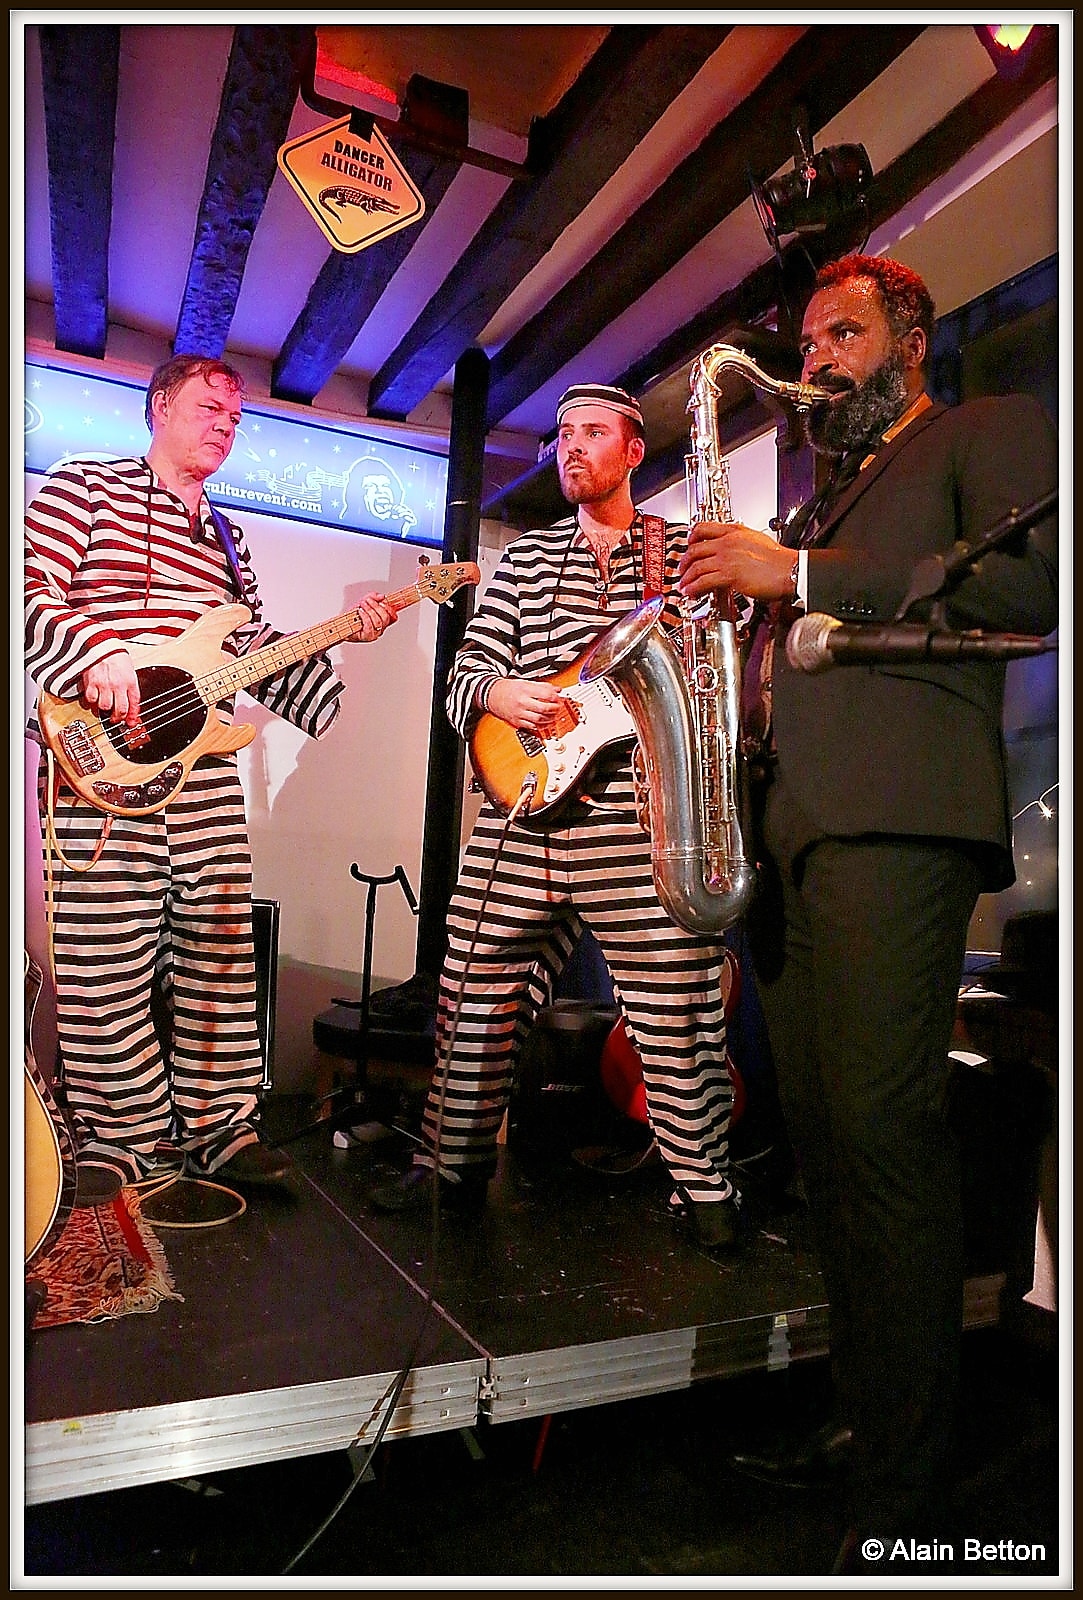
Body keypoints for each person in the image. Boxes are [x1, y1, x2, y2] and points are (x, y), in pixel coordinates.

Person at [677, 254, 1058, 1565]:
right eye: (808, 341)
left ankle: (905, 1493)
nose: (818, 358)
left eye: (843, 333)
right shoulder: (828, 491)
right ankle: (865, 1418)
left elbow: (1028, 588)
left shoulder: (982, 429)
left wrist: (793, 573)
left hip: (899, 824)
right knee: (829, 1153)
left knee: (887, 1145)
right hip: (792, 836)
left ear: (911, 338)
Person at [371, 382, 743, 1253]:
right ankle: (450, 1166)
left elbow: (715, 667)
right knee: (471, 994)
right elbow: (465, 681)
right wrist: (500, 692)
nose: (570, 446)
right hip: (523, 814)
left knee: (678, 1011)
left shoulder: (680, 551)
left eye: (591, 433)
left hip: (638, 820)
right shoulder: (528, 558)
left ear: (633, 451)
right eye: (563, 433)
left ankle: (705, 1191)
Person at [24, 354, 397, 1209]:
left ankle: (220, 1128)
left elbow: (243, 648)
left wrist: (341, 642)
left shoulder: (228, 538)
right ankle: (121, 1137)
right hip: (97, 766)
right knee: (102, 960)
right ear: (159, 406)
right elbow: (25, 583)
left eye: (234, 417)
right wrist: (93, 654)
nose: (225, 426)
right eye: (208, 407)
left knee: (219, 950)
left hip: (201, 774)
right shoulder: (84, 486)